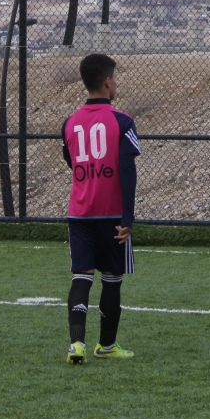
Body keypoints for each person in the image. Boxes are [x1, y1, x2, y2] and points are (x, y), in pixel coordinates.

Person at [62, 54, 141, 364]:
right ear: (107, 81)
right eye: (115, 78)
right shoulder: (122, 121)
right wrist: (128, 217)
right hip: (112, 214)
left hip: (79, 212)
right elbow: (127, 171)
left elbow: (71, 161)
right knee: (111, 278)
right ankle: (106, 346)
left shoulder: (70, 122)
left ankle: (76, 344)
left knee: (81, 277)